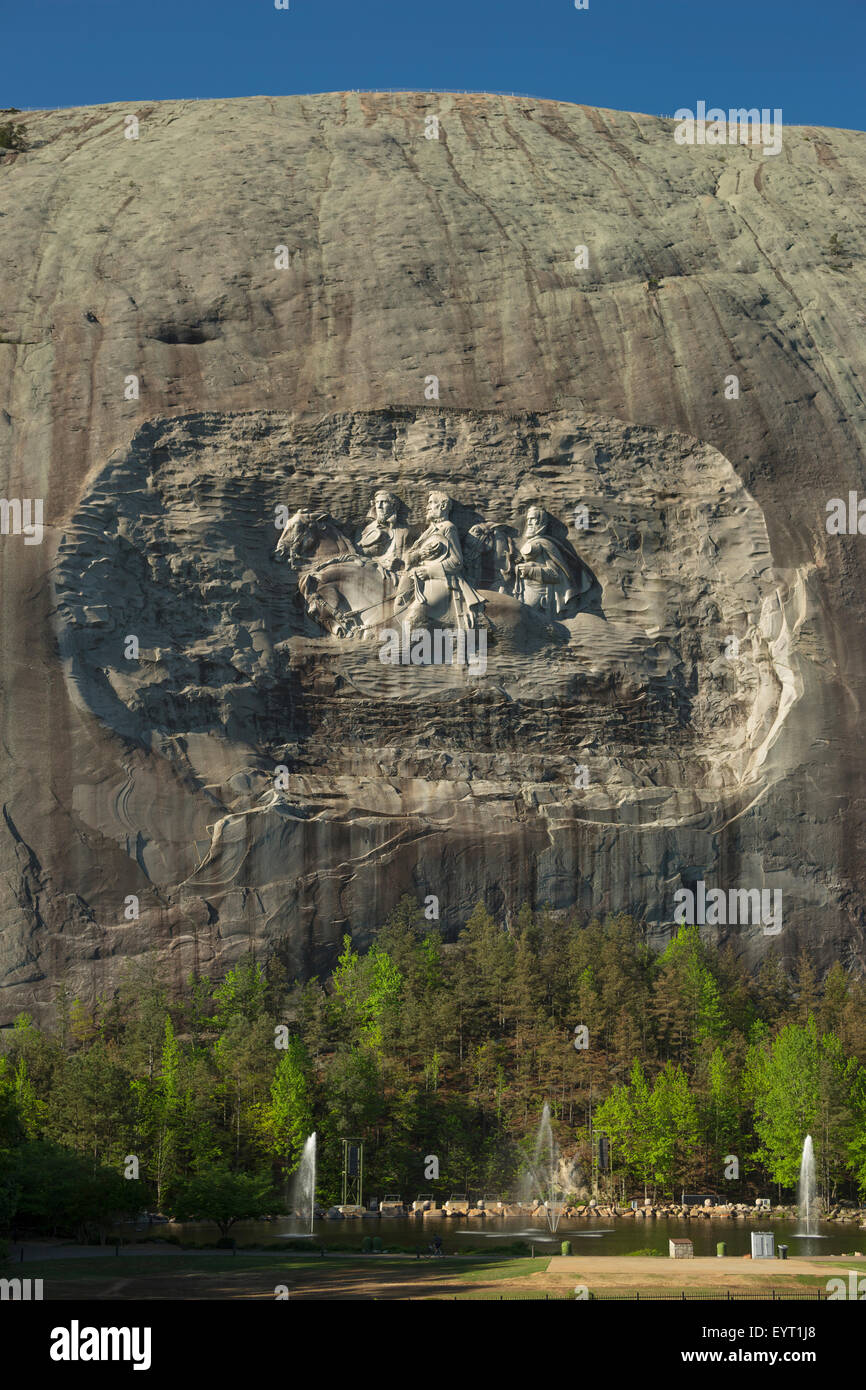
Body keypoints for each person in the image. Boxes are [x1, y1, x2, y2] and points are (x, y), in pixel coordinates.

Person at [514, 503, 590, 616]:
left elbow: (555, 575)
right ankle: (479, 634)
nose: (529, 522)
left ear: (542, 522)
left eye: (533, 519)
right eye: (528, 519)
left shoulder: (546, 544)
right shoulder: (532, 542)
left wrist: (530, 571)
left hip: (539, 596)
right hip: (522, 591)